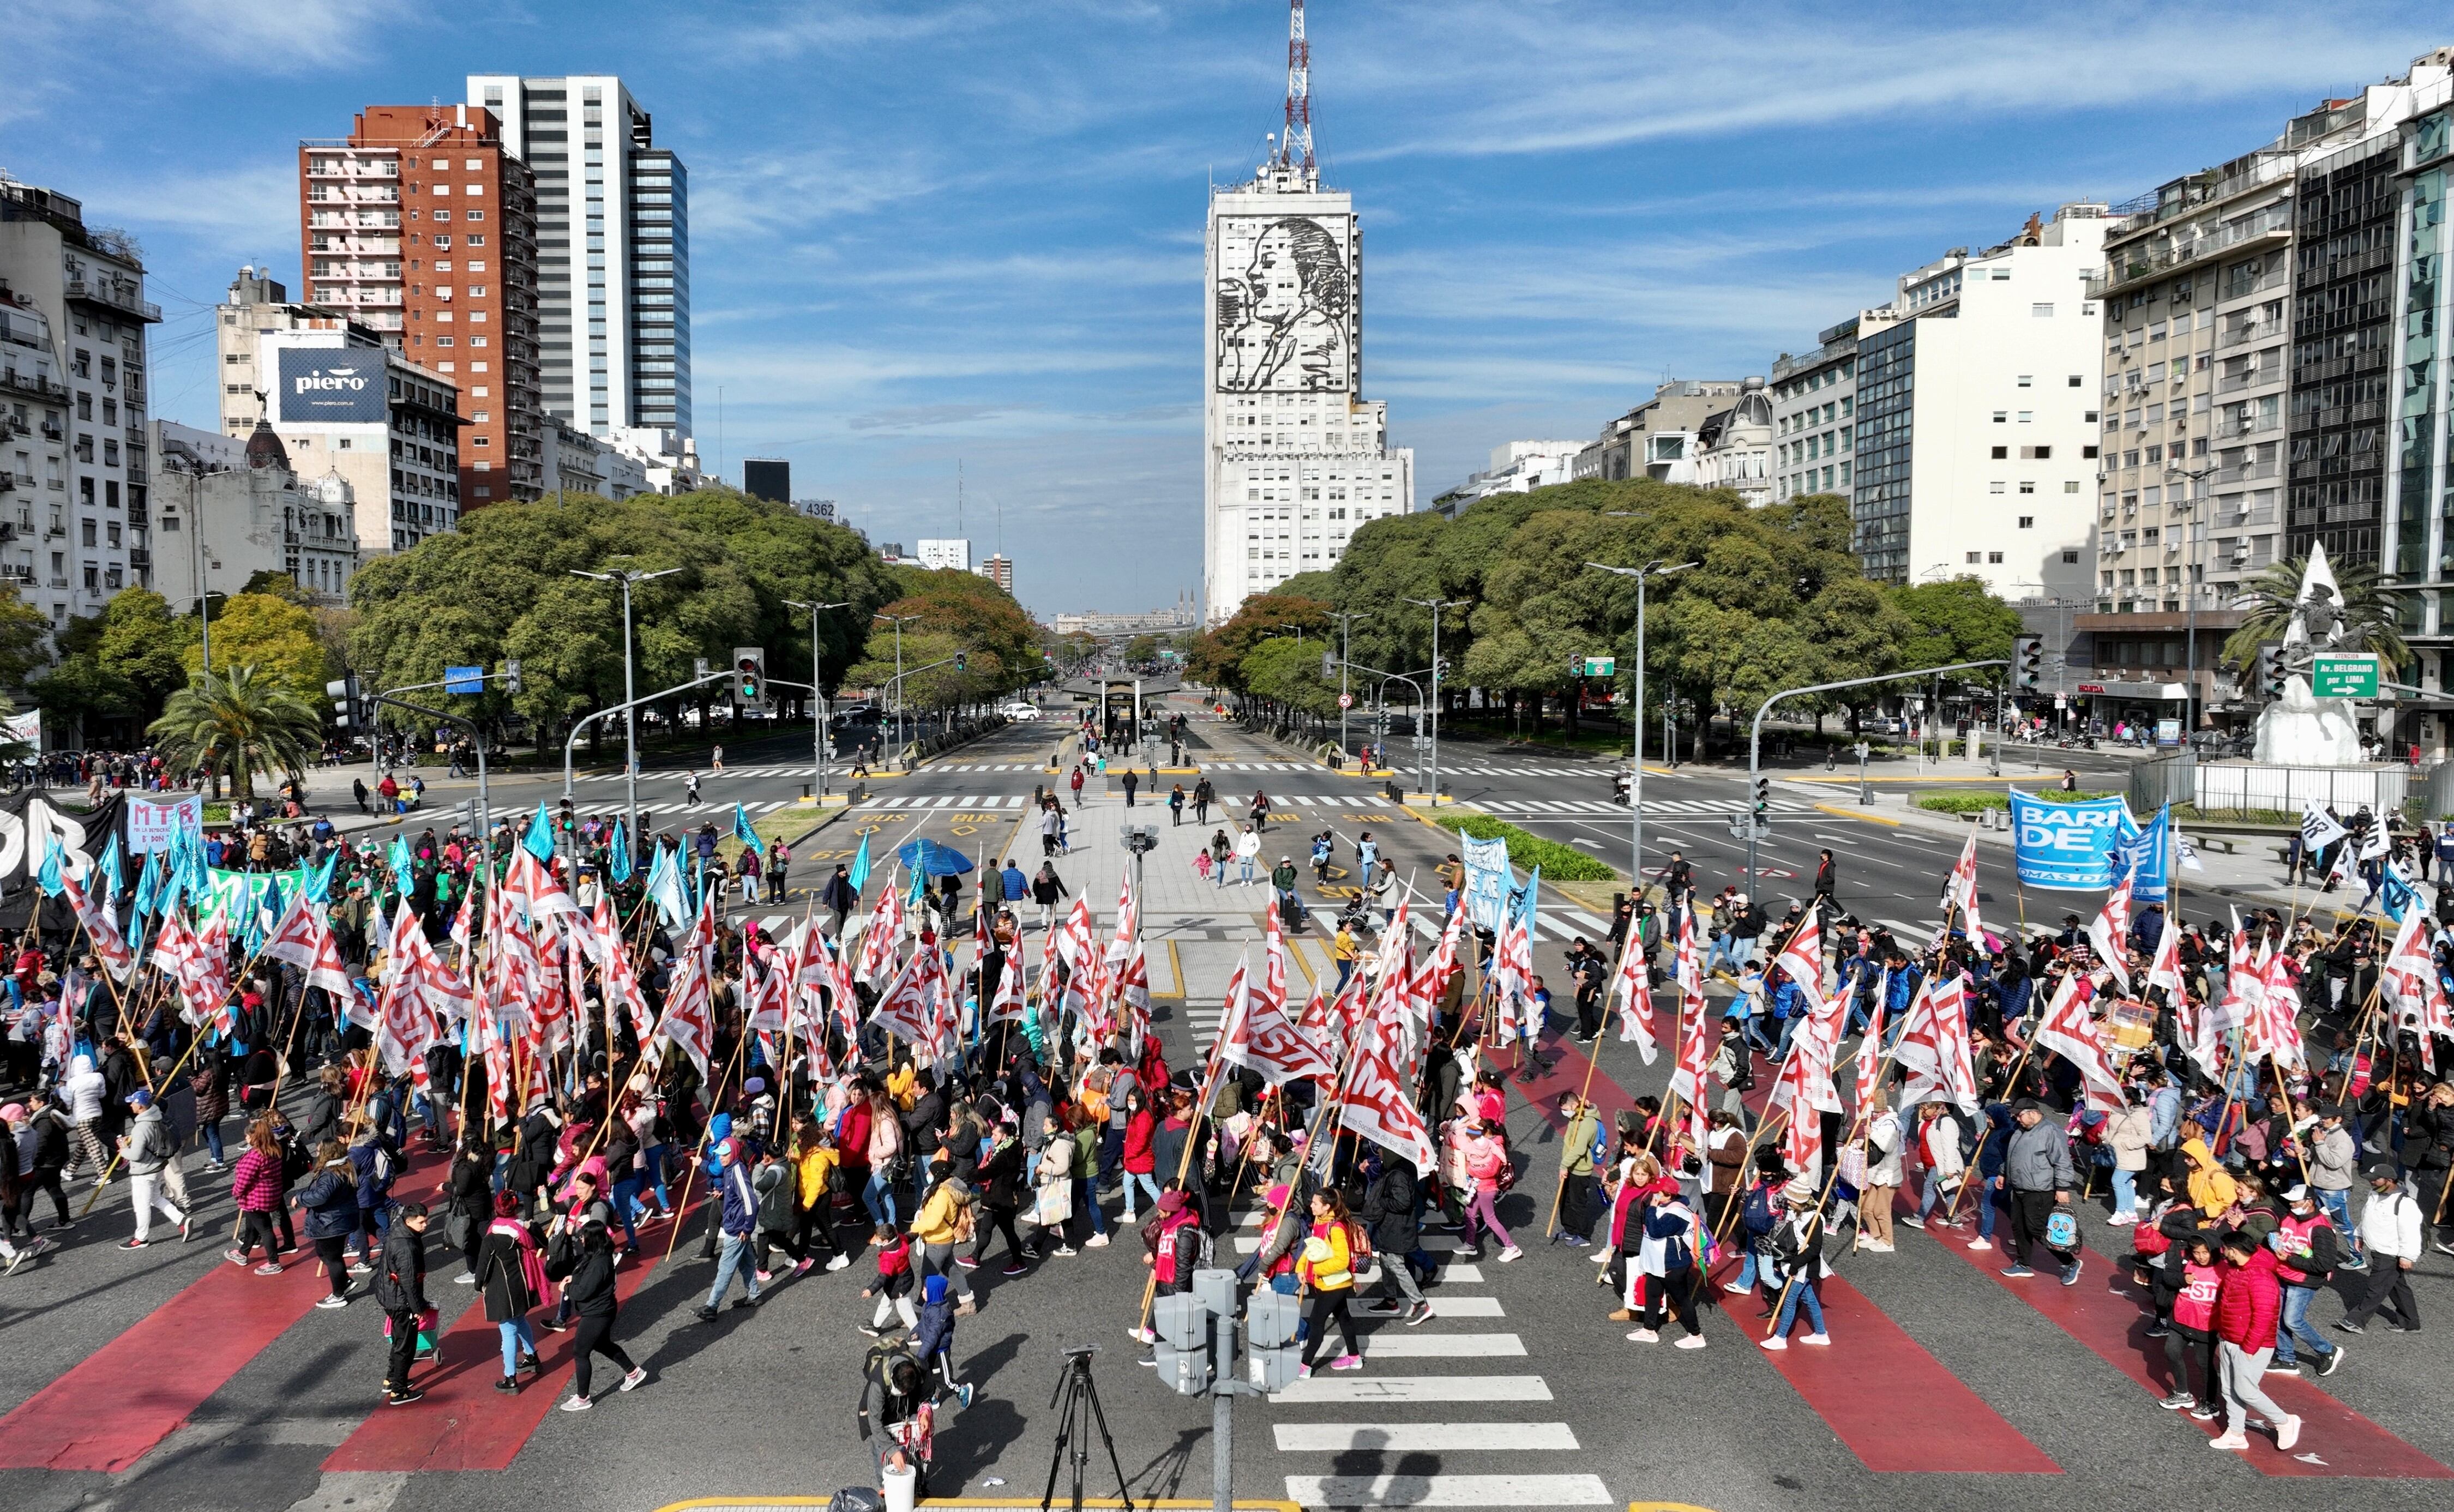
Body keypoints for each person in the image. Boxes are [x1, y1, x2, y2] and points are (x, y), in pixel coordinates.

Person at [2211, 1227, 2301, 1451]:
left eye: (2226, 1250)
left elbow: (2264, 1315)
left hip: (2251, 1345)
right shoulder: (2236, 1269)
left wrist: (2250, 1347)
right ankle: (2236, 1433)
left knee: (2245, 1390)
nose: (2223, 1254)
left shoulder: (2261, 1276)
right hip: (2230, 1339)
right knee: (2229, 1389)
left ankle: (2283, 1421)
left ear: (2234, 1250)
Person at [549, 1213, 647, 1411]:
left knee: (580, 1352)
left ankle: (583, 1398)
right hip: (602, 1311)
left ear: (593, 1239)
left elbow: (585, 1292)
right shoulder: (598, 1257)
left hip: (597, 1314)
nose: (582, 1239)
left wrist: (567, 1288)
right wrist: (573, 1279)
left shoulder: (599, 1263)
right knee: (603, 1345)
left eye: (584, 1236)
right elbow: (587, 1281)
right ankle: (633, 1372)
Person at [473, 1191, 547, 1395]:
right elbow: (544, 1243)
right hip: (523, 1285)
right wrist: (531, 1226)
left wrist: (479, 1285)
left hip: (502, 1290)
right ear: (516, 1210)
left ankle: (510, 1377)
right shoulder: (522, 1230)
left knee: (508, 1331)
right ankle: (532, 1356)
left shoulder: (492, 1237)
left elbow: (482, 1269)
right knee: (521, 1321)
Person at [1999, 1098, 2079, 1283]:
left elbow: (2062, 1161)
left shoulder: (2051, 1132)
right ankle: (2023, 1264)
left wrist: (2062, 1187)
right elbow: (2014, 1154)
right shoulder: (2021, 1130)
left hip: (2040, 1190)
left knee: (2037, 1228)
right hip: (2020, 1187)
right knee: (2019, 1227)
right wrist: (2004, 1172)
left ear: (2032, 1113)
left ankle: (2070, 1263)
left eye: (2020, 1115)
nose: (2017, 1119)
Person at [2338, 1161, 2421, 1334]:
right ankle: (2410, 1322)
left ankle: (2356, 1321)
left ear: (2389, 1181)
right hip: (2378, 1250)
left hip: (2390, 1253)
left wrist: (2408, 1256)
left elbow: (2411, 1232)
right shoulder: (2375, 1193)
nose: (2371, 1182)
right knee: (2397, 1287)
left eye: (2376, 1180)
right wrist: (2359, 1235)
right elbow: (2366, 1216)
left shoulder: (2405, 1204)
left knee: (2375, 1289)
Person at [2272, 1185, 2345, 1376]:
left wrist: (2290, 1259)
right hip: (2283, 1274)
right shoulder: (2289, 1217)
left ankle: (2327, 1350)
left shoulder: (2321, 1229)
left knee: (2293, 1321)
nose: (2291, 1204)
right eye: (2290, 1201)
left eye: (2295, 1201)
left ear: (2309, 1203)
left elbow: (2324, 1264)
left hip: (2304, 1281)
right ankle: (2286, 1359)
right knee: (2279, 1319)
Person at [1629, 1184, 1707, 1348]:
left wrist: (1651, 1209)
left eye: (1658, 1193)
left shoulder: (1676, 1214)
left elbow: (1656, 1230)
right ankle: (1649, 1330)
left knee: (1682, 1299)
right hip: (1657, 1262)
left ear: (1669, 1196)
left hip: (1673, 1264)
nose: (1654, 1195)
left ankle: (1696, 1334)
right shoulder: (1666, 1206)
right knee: (1652, 1294)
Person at [694, 1137, 763, 1319]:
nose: (721, 1158)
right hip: (740, 1228)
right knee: (747, 1263)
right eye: (720, 1155)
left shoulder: (736, 1171)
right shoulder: (733, 1169)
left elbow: (751, 1203)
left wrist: (747, 1228)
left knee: (725, 1269)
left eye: (724, 1155)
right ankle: (754, 1295)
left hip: (737, 1229)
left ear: (732, 1153)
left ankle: (711, 1306)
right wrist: (724, 1193)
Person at [113, 1089, 190, 1250]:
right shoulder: (158, 1116)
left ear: (140, 1106)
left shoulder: (141, 1127)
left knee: (141, 1206)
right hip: (158, 1166)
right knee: (156, 1198)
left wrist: (123, 1150)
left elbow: (136, 1154)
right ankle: (181, 1219)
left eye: (133, 1103)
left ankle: (141, 1238)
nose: (131, 1105)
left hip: (144, 1171)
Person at [1296, 1189, 1362, 1376]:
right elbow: (1312, 1247)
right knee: (1344, 1317)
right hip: (1329, 1282)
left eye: (1316, 1204)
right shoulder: (1320, 1221)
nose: (1311, 1206)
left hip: (1334, 1284)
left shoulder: (1336, 1228)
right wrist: (1301, 1267)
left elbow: (1342, 1261)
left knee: (1317, 1322)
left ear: (1327, 1207)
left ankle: (1305, 1366)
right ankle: (1354, 1357)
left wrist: (1316, 1270)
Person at [374, 1201, 434, 1407]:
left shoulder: (398, 1233)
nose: (426, 1225)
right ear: (409, 1221)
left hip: (390, 1296)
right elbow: (409, 1281)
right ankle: (399, 1391)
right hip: (401, 1302)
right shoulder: (407, 1246)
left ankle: (392, 1379)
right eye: (422, 1222)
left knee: (399, 1341)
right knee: (405, 1346)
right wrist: (418, 1309)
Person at [1761, 1177, 1830, 1350]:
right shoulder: (1797, 1213)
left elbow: (1814, 1248)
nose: (1788, 1202)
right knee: (1810, 1300)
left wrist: (1795, 1265)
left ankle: (1780, 1337)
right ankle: (1822, 1334)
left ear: (1800, 1200)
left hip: (1805, 1266)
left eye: (1791, 1199)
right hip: (1796, 1263)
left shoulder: (1814, 1219)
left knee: (1790, 1300)